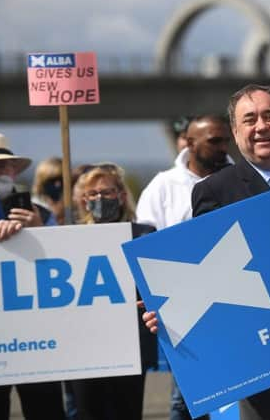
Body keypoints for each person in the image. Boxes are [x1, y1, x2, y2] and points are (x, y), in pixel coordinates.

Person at [144, 84, 270, 420]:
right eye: (250, 119)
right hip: (259, 352)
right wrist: (170, 308)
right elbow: (205, 271)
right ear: (236, 131)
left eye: (269, 116)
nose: (261, 126)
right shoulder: (215, 191)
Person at [0, 133, 65, 420]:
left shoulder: (41, 212)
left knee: (45, 407)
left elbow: (66, 259)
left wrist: (39, 230)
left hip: (36, 334)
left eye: (2, 166)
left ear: (14, 170)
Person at [136, 114, 232, 420]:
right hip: (185, 308)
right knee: (188, 398)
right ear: (190, 143)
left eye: (225, 140)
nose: (223, 147)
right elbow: (145, 244)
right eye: (214, 141)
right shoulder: (163, 186)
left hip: (238, 297)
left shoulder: (240, 179)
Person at [71, 163, 157, 420]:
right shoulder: (68, 238)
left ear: (121, 196)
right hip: (84, 346)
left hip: (129, 346)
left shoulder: (143, 235)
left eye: (107, 192)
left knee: (127, 412)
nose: (100, 199)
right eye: (93, 194)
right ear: (84, 201)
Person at [0, 132, 56, 227]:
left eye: (2, 165)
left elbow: (57, 241)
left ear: (14, 171)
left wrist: (38, 228)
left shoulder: (42, 215)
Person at [32, 157, 64, 224]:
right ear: (41, 182)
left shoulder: (71, 207)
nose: (58, 185)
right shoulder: (34, 208)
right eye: (52, 180)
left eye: (61, 179)